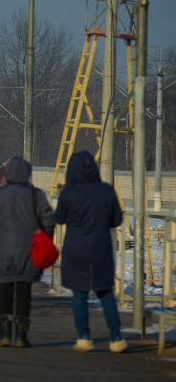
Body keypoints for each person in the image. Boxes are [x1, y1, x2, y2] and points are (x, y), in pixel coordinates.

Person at [54, 151, 127, 353]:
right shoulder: (106, 190)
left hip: (76, 249)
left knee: (79, 294)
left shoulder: (69, 193)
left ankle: (84, 338)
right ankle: (116, 338)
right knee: (105, 293)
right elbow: (116, 221)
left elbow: (59, 219)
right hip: (101, 248)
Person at [0, 157, 54, 348]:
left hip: (2, 250)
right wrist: (45, 239)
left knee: (4, 292)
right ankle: (22, 336)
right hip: (29, 250)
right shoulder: (36, 195)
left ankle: (4, 334)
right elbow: (48, 220)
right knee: (24, 292)